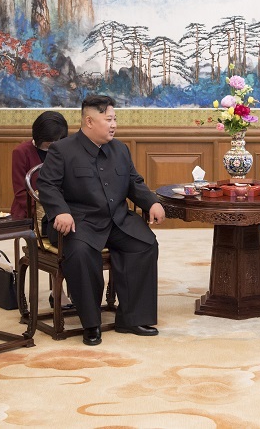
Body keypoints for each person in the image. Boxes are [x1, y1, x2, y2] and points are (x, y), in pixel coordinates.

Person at [37, 95, 166, 346]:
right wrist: (60, 211)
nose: (114, 124)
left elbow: (134, 182)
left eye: (114, 119)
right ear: (89, 121)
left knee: (145, 244)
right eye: (108, 119)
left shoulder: (120, 149)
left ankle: (132, 318)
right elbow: (47, 185)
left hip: (116, 220)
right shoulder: (62, 150)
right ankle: (91, 323)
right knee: (81, 253)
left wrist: (152, 202)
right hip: (79, 221)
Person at [10, 110, 73, 310]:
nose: (53, 146)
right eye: (48, 142)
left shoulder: (67, 150)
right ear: (38, 137)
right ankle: (59, 291)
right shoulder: (21, 152)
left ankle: (73, 288)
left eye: (57, 141)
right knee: (65, 239)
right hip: (31, 213)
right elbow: (21, 193)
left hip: (63, 210)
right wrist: (49, 210)